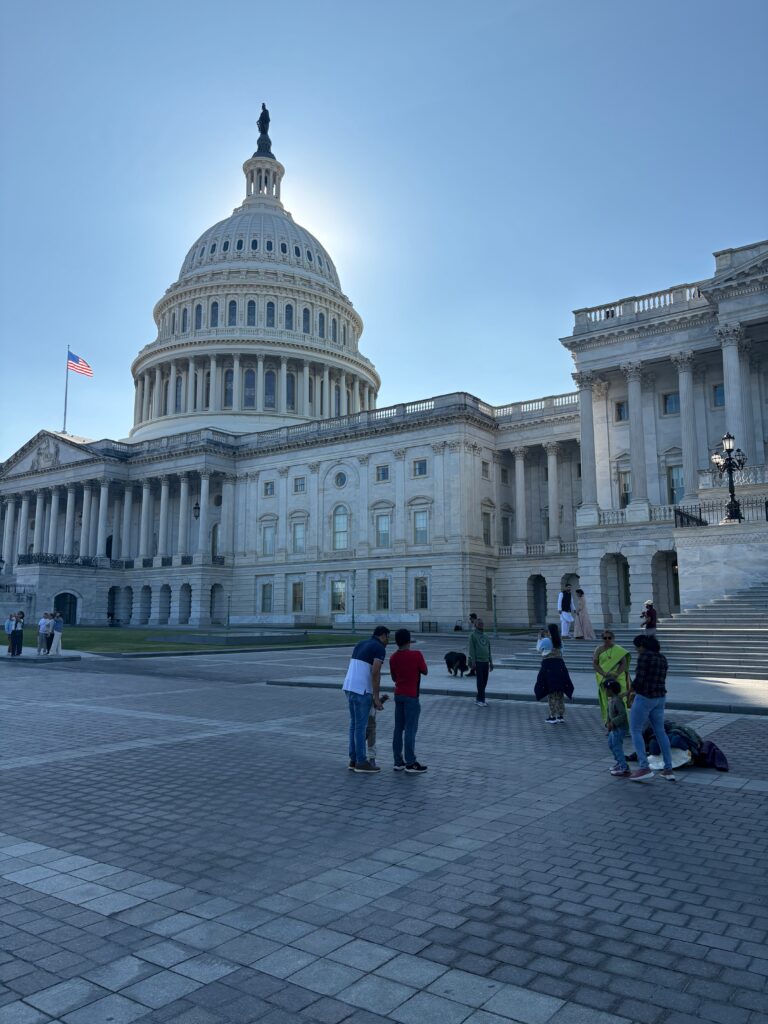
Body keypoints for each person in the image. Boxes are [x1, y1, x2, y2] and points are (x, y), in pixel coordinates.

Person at [628, 635, 676, 782]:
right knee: (660, 731)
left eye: (637, 647)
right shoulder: (662, 658)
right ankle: (668, 769)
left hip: (645, 697)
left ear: (642, 646)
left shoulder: (644, 657)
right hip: (660, 697)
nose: (637, 650)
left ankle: (644, 767)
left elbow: (640, 679)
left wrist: (629, 692)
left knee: (635, 730)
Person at [342, 626, 389, 773]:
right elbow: (375, 673)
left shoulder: (361, 643)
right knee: (361, 727)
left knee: (354, 725)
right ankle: (362, 762)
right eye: (388, 637)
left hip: (349, 687)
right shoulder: (379, 648)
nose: (388, 641)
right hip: (362, 690)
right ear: (383, 636)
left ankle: (353, 760)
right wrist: (376, 698)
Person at [390, 628, 429, 773]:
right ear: (409, 640)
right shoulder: (416, 655)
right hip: (411, 695)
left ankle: (397, 761)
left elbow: (394, 678)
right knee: (410, 729)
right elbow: (425, 670)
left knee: (398, 728)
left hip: (398, 694)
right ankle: (411, 763)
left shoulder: (393, 657)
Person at [534, 623, 573, 723]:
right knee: (560, 691)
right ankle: (560, 716)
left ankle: (552, 716)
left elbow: (538, 649)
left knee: (551, 691)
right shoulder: (560, 641)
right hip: (560, 666)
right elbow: (562, 652)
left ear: (549, 631)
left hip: (549, 667)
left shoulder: (546, 640)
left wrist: (539, 638)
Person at [592, 629, 630, 725]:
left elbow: (623, 663)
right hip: (604, 677)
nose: (607, 639)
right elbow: (595, 664)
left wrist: (616, 674)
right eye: (605, 638)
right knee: (607, 702)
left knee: (622, 700)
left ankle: (625, 725)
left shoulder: (619, 650)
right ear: (602, 638)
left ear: (613, 638)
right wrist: (603, 673)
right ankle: (609, 723)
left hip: (618, 677)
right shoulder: (598, 649)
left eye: (609, 637)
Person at [604, 678, 630, 776]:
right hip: (614, 728)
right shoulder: (611, 700)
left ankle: (624, 767)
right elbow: (608, 713)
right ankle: (619, 762)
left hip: (620, 728)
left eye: (606, 689)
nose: (605, 691)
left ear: (610, 690)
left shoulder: (617, 701)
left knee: (616, 746)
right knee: (611, 744)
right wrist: (608, 722)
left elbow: (623, 714)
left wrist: (613, 723)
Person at [468, 618, 493, 706]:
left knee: (485, 681)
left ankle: (479, 698)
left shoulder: (486, 635)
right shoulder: (473, 635)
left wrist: (491, 662)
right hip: (478, 661)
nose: (481, 625)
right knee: (480, 681)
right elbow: (472, 649)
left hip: (486, 661)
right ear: (475, 625)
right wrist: (473, 661)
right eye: (479, 624)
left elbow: (489, 649)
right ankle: (481, 700)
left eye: (482, 623)